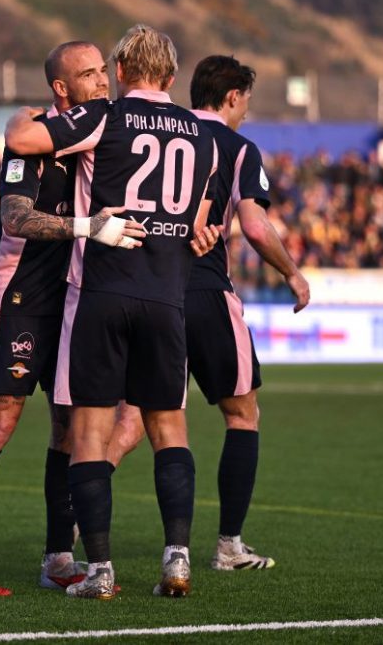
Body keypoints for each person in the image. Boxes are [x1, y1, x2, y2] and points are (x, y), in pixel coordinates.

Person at [5, 24, 218, 600]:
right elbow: (200, 221)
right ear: (171, 76)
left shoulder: (106, 116)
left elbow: (25, 140)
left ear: (121, 71)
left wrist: (20, 118)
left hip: (103, 291)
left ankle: (99, 570)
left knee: (89, 433)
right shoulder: (204, 137)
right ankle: (177, 560)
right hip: (166, 296)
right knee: (169, 429)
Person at [0, 40, 149, 597]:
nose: (102, 81)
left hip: (74, 299)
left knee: (69, 426)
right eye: (89, 74)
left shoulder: (96, 134)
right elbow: (15, 217)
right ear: (61, 88)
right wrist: (87, 227)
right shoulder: (32, 138)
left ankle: (58, 557)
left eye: (104, 71)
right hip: (19, 297)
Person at [107, 55, 311, 572]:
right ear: (233, 97)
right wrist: (292, 273)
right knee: (242, 414)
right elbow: (255, 226)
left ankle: (73, 516)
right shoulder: (238, 147)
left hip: (147, 289)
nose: (246, 113)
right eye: (246, 102)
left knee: (133, 420)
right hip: (204, 290)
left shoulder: (166, 130)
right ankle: (229, 546)